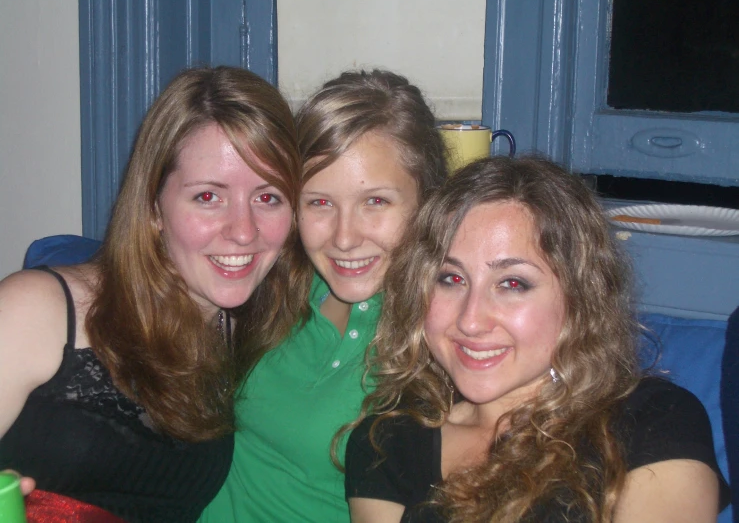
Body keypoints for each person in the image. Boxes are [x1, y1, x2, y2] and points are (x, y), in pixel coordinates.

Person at [345, 156, 731, 523]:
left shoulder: (653, 420)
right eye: (451, 278)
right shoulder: (387, 441)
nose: (471, 320)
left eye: (513, 284)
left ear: (581, 297)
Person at [0, 66, 302, 522]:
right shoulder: (36, 310)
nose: (243, 232)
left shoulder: (256, 337)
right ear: (153, 206)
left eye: (268, 197)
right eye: (207, 197)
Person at [199, 69, 448, 522]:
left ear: (427, 203)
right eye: (319, 202)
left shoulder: (446, 336)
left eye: (376, 202)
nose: (345, 238)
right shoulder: (273, 285)